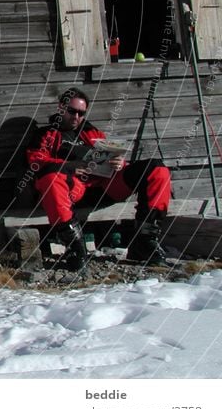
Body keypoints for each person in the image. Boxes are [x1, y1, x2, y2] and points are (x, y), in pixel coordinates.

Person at [26, 87, 172, 271]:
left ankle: (145, 242)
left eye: (81, 113)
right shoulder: (46, 134)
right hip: (71, 189)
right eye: (72, 111)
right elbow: (36, 162)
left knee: (157, 169)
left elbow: (109, 155)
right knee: (50, 179)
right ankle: (76, 248)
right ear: (61, 108)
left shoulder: (91, 133)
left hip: (103, 186)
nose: (76, 117)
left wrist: (120, 164)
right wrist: (70, 166)